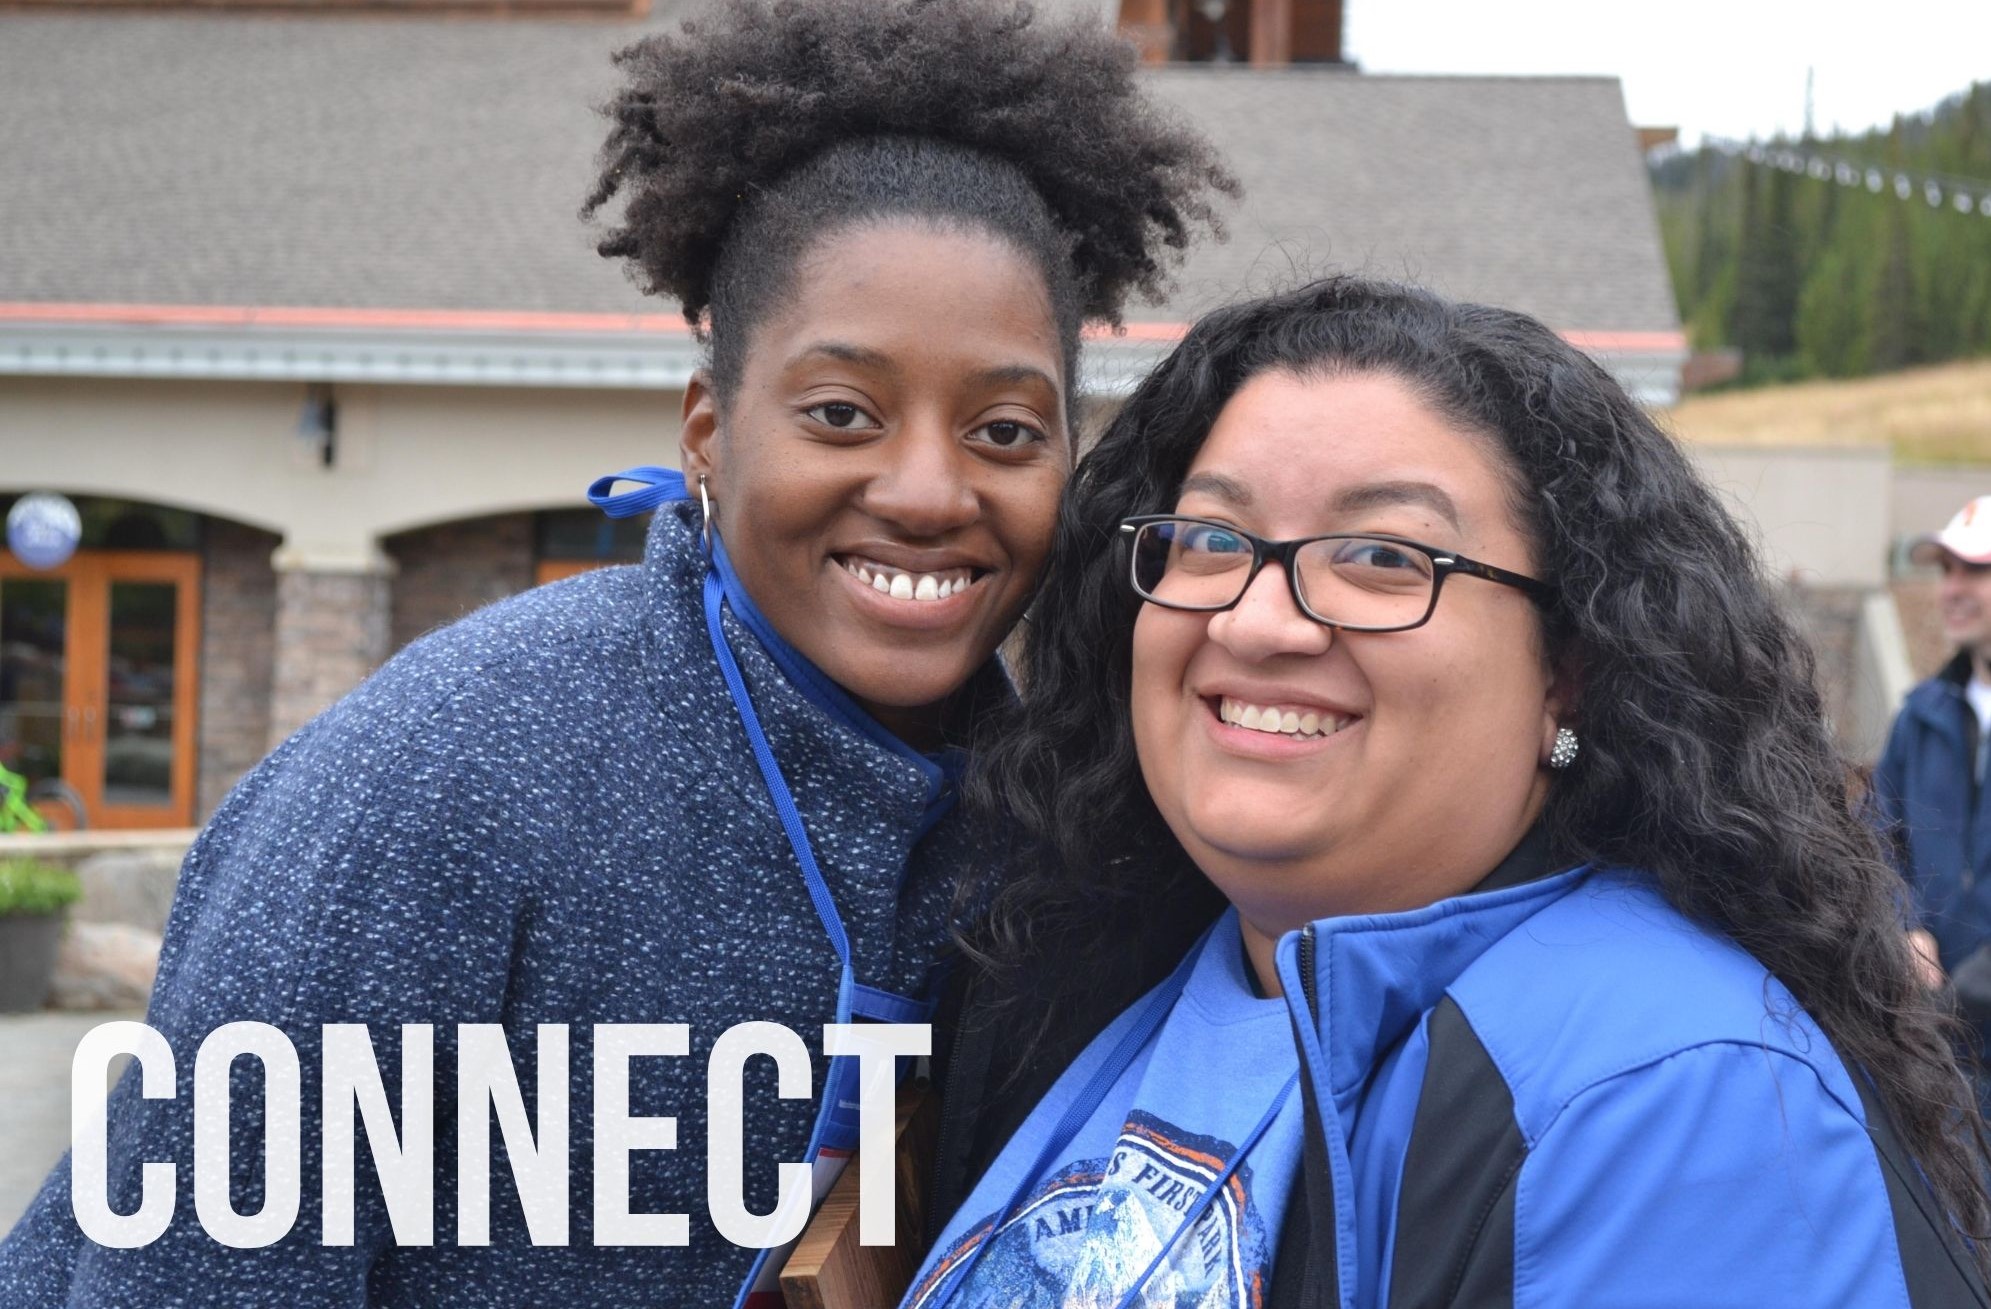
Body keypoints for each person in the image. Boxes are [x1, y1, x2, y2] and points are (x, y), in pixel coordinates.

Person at [0, 3, 1230, 1305]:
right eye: (839, 412)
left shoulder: (1050, 825)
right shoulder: (441, 782)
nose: (927, 488)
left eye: (1002, 431)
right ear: (706, 430)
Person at [912, 276, 1991, 1308]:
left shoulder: (1662, 1100)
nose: (1253, 621)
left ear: (1564, 673)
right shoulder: (1126, 982)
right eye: (1209, 538)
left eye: (1382, 554)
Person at [1875, 497, 1991, 1090]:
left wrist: (1964, 996)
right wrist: (1903, 924)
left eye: (1975, 570)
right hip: (1935, 1065)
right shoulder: (1921, 716)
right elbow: (1877, 838)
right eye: (1946, 569)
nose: (1952, 588)